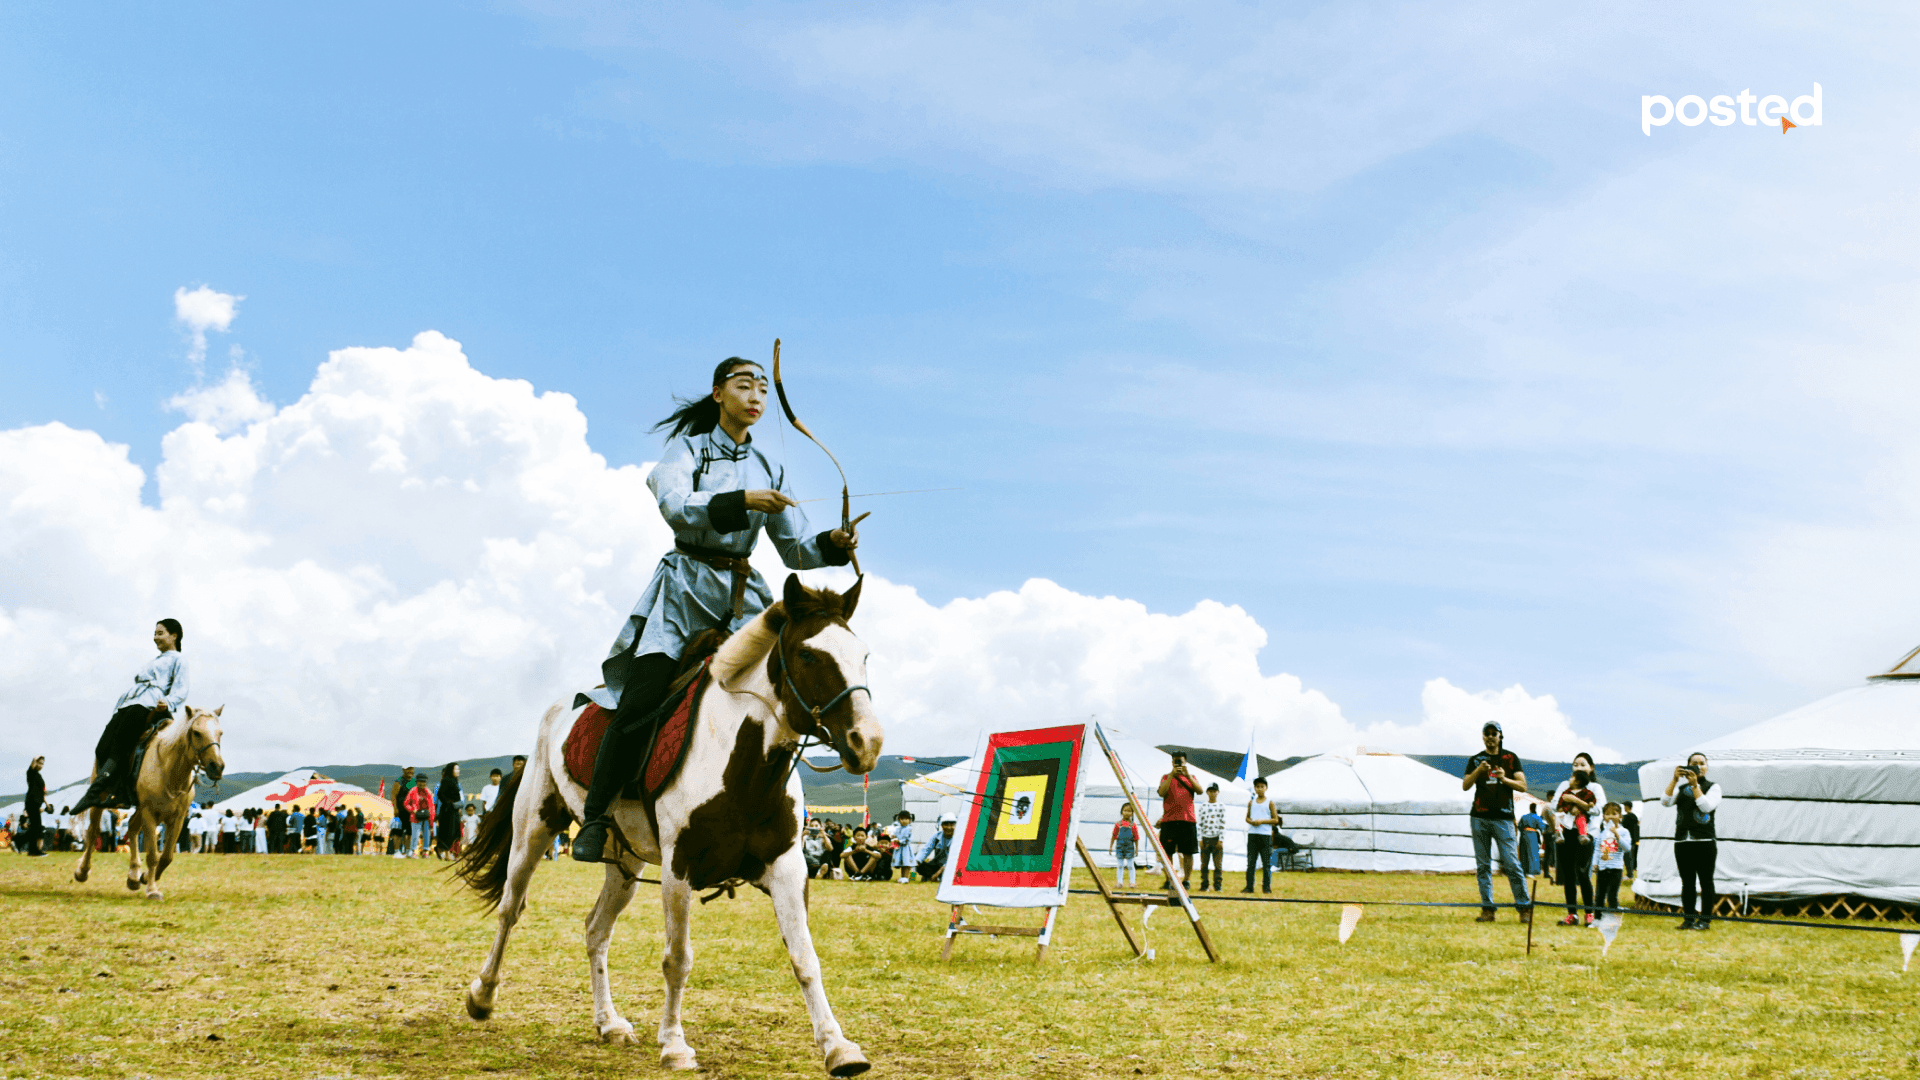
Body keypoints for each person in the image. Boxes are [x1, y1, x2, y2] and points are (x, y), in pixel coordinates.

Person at [571, 357, 863, 863]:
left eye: (763, 390)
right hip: (683, 592)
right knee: (639, 701)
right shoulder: (685, 451)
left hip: (743, 596)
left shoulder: (770, 466)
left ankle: (761, 807)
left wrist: (834, 544)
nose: (755, 397)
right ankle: (596, 818)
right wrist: (742, 499)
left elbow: (795, 551)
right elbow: (674, 506)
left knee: (790, 680)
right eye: (743, 385)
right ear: (717, 394)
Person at [73, 619, 189, 814]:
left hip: (150, 705)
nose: (155, 637)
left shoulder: (178, 659)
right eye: (155, 633)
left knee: (121, 744)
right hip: (130, 703)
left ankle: (98, 792)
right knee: (102, 747)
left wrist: (168, 702)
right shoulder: (155, 660)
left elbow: (181, 688)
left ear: (174, 636)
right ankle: (113, 790)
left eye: (160, 633)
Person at [1463, 721, 1532, 924]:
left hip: (1503, 818)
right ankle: (1488, 909)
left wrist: (1504, 779)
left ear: (1501, 736)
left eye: (1495, 733)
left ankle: (1524, 907)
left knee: (1512, 863)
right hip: (1479, 817)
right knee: (1483, 865)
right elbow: (1465, 785)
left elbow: (1523, 785)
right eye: (1487, 733)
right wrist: (1479, 771)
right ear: (1483, 736)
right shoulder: (1476, 760)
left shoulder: (1510, 758)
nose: (1491, 737)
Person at [1664, 752, 1722, 930]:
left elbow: (1706, 806)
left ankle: (1704, 920)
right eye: (1694, 763)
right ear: (1687, 766)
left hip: (1704, 841)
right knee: (1687, 882)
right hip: (1682, 841)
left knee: (1706, 881)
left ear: (1707, 766)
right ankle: (1688, 919)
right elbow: (1665, 801)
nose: (1698, 766)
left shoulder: (1713, 787)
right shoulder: (1680, 789)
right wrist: (1674, 780)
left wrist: (1695, 785)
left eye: (1702, 763)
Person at [1550, 752, 1605, 927]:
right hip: (1567, 833)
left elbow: (1598, 809)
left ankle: (1590, 913)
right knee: (1569, 875)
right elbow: (1554, 805)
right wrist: (1572, 804)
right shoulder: (1565, 784)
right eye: (1575, 765)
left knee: (1583, 873)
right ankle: (1572, 914)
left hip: (1586, 834)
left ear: (1591, 768)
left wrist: (1575, 801)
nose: (1579, 768)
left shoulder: (1595, 788)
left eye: (1583, 764)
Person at [1156, 751, 1202, 893]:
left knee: (1188, 852)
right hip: (1169, 820)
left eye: (1180, 762)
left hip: (1187, 820)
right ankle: (1170, 880)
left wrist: (1187, 775)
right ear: (1172, 762)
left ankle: (1186, 880)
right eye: (1176, 761)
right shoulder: (1165, 777)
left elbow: (1200, 791)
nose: (1178, 764)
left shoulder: (1191, 777)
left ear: (1185, 762)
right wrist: (1172, 775)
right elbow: (1161, 792)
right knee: (1167, 853)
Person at [1591, 802, 1632, 915]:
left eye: (1614, 813)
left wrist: (1617, 835)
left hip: (1616, 868)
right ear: (1604, 816)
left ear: (1620, 817)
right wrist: (1595, 863)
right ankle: (1597, 917)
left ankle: (1612, 918)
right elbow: (1597, 850)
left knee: (1612, 895)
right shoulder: (1602, 833)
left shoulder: (1624, 832)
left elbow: (1627, 848)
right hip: (1602, 868)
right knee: (1599, 895)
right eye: (1607, 814)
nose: (1611, 816)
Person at [1244, 777, 1277, 893]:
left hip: (1265, 835)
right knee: (1251, 862)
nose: (1260, 789)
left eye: (1262, 786)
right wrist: (1251, 821)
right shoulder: (1251, 802)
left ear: (1266, 788)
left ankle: (1266, 887)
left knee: (1266, 863)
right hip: (1253, 834)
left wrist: (1261, 821)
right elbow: (1247, 818)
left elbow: (1275, 819)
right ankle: (1249, 887)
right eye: (1257, 787)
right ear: (1255, 788)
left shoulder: (1270, 803)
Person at [1196, 782, 1227, 892]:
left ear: (1218, 792)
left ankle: (1217, 885)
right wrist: (1199, 839)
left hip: (1216, 837)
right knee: (1204, 864)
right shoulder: (1203, 806)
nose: (1212, 793)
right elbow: (1199, 823)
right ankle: (1204, 885)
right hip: (1205, 838)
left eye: (1214, 791)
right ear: (1207, 792)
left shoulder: (1221, 806)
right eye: (1210, 791)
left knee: (1218, 865)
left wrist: (1221, 839)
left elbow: (1223, 824)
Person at [1110, 802, 1144, 888]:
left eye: (1129, 811)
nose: (1127, 813)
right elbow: (1114, 835)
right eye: (1125, 810)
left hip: (1130, 847)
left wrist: (1136, 849)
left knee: (1130, 865)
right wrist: (1110, 847)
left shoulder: (1133, 825)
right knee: (1120, 865)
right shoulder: (1118, 824)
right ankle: (1119, 882)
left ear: (1132, 813)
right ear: (1121, 812)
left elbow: (1136, 838)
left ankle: (1132, 882)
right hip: (1120, 847)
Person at [435, 764, 464, 859]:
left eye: (458, 769)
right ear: (451, 770)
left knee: (456, 832)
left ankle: (441, 849)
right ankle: (447, 853)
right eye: (456, 769)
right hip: (447, 811)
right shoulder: (446, 780)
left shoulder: (456, 782)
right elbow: (440, 794)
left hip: (455, 810)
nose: (458, 771)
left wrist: (458, 806)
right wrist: (449, 803)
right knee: (448, 831)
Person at [916, 815, 957, 882]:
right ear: (941, 825)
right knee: (919, 864)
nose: (949, 827)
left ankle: (935, 877)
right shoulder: (936, 836)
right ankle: (934, 877)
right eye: (946, 824)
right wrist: (916, 861)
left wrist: (937, 874)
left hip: (949, 866)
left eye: (951, 825)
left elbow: (952, 860)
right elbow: (926, 850)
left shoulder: (958, 839)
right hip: (937, 865)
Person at [406, 776, 436, 858]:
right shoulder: (413, 791)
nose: (421, 783)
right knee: (415, 835)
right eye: (420, 781)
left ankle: (425, 851)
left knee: (427, 834)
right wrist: (413, 809)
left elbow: (432, 806)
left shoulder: (429, 792)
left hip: (427, 816)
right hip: (416, 816)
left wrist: (432, 818)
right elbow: (406, 803)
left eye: (423, 782)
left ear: (426, 783)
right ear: (417, 782)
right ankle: (413, 852)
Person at [22, 756, 47, 857]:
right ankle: (34, 850)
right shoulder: (31, 773)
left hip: (36, 804)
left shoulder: (39, 776)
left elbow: (43, 792)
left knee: (36, 827)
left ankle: (33, 850)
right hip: (31, 803)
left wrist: (46, 804)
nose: (40, 765)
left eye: (42, 763)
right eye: (39, 763)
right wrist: (35, 758)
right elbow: (32, 764)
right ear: (35, 763)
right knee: (36, 827)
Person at [388, 766, 415, 855]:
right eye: (408, 769)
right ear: (404, 770)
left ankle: (408, 851)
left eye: (411, 769)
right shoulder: (399, 781)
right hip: (400, 810)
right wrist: (395, 808)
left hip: (411, 811)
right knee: (398, 831)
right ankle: (397, 851)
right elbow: (393, 795)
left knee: (409, 832)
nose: (410, 771)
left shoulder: (415, 782)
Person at [1518, 802, 1548, 878]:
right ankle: (1532, 871)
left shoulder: (1524, 816)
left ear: (1530, 808)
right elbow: (1542, 827)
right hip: (1532, 835)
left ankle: (1523, 871)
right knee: (1533, 853)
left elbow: (1519, 826)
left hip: (1523, 834)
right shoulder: (1537, 817)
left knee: (1523, 853)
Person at [1620, 800, 1641, 879]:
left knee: (1628, 858)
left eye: (1625, 806)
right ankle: (1630, 873)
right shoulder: (1634, 817)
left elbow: (1623, 827)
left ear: (1627, 806)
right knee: (1631, 857)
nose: (1624, 808)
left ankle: (1629, 874)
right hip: (1633, 840)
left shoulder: (1628, 817)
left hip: (1628, 840)